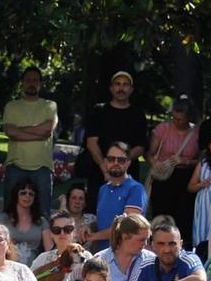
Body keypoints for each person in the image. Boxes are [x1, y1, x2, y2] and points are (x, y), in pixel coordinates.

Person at [0, 66, 59, 217]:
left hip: (42, 167)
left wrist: (20, 130)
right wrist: (38, 135)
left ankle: (43, 241)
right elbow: (10, 132)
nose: (31, 83)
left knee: (43, 213)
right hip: (15, 165)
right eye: (28, 80)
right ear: (22, 83)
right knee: (9, 212)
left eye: (35, 80)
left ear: (40, 84)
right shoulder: (11, 106)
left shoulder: (50, 105)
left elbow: (47, 129)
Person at [79, 70, 149, 181]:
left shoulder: (138, 115)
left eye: (125, 84)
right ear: (111, 88)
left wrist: (120, 164)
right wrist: (106, 169)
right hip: (100, 174)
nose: (121, 88)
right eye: (117, 84)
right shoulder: (99, 111)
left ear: (131, 90)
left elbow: (141, 146)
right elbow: (91, 143)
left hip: (129, 175)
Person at [146, 99, 198, 242]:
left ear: (189, 117)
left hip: (186, 178)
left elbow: (201, 160)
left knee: (184, 219)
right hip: (164, 178)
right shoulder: (163, 128)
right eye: (174, 117)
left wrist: (185, 161)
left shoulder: (196, 132)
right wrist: (155, 163)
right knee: (161, 219)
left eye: (180, 119)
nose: (176, 121)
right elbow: (149, 153)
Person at [89, 143, 149, 246]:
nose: (116, 163)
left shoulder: (136, 189)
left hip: (126, 255)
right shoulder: (103, 189)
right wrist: (88, 228)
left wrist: (94, 236)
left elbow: (128, 226)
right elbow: (103, 221)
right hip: (104, 255)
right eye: (111, 159)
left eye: (121, 160)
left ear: (128, 163)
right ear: (105, 162)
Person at [3, 179, 46, 257]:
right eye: (23, 193)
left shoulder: (41, 221)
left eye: (31, 194)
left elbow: (49, 250)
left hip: (34, 267)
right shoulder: (2, 219)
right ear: (16, 195)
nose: (27, 196)